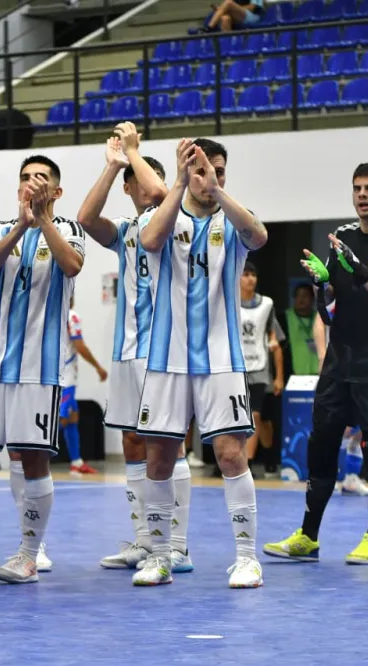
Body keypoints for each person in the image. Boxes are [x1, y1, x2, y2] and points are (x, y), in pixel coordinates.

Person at [265, 163, 368, 566]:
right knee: (321, 446)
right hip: (339, 364)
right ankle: (308, 536)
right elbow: (331, 305)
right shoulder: (343, 236)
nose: (362, 195)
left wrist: (360, 270)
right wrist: (323, 284)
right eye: (357, 188)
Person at [135, 137, 268, 588]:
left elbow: (259, 236)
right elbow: (149, 240)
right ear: (186, 172)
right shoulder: (163, 215)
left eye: (219, 170)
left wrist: (218, 190)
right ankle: (159, 557)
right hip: (166, 358)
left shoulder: (233, 218)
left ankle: (247, 559)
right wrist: (177, 183)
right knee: (159, 459)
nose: (210, 177)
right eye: (202, 170)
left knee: (230, 454)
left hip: (221, 358)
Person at [76, 128, 196, 573]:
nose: (147, 187)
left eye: (152, 179)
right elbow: (86, 218)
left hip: (163, 350)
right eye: (137, 181)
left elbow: (162, 193)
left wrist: (133, 152)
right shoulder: (125, 230)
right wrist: (113, 166)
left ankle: (177, 545)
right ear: (128, 188)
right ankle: (145, 540)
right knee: (131, 441)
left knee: (166, 445)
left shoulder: (178, 218)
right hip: (127, 350)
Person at [0, 155, 84, 584]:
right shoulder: (0, 228)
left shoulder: (69, 230)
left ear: (56, 191)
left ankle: (29, 554)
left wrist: (43, 221)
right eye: (25, 177)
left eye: (41, 178)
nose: (32, 183)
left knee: (33, 459)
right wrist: (21, 225)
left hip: (40, 367)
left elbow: (72, 266)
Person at [312, 299, 368, 496]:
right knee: (340, 426)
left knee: (363, 425)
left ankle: (351, 478)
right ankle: (328, 476)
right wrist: (322, 356)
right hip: (338, 368)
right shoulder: (337, 294)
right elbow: (320, 321)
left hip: (365, 367)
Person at [238, 261, 285, 476]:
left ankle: (248, 464)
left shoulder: (266, 305)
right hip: (235, 369)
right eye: (245, 274)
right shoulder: (228, 303)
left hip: (259, 368)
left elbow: (275, 343)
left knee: (256, 416)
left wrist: (279, 377)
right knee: (240, 417)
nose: (250, 279)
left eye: (253, 275)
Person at [62, 299, 108, 476]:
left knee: (73, 416)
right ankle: (33, 455)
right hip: (65, 377)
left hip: (59, 375)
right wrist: (98, 367)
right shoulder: (71, 316)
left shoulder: (51, 314)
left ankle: (76, 462)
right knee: (62, 419)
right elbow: (80, 347)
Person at [284, 284, 320, 375]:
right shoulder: (284, 318)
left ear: (313, 299)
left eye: (305, 295)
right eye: (298, 296)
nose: (301, 299)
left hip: (318, 374)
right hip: (292, 376)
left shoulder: (320, 319)